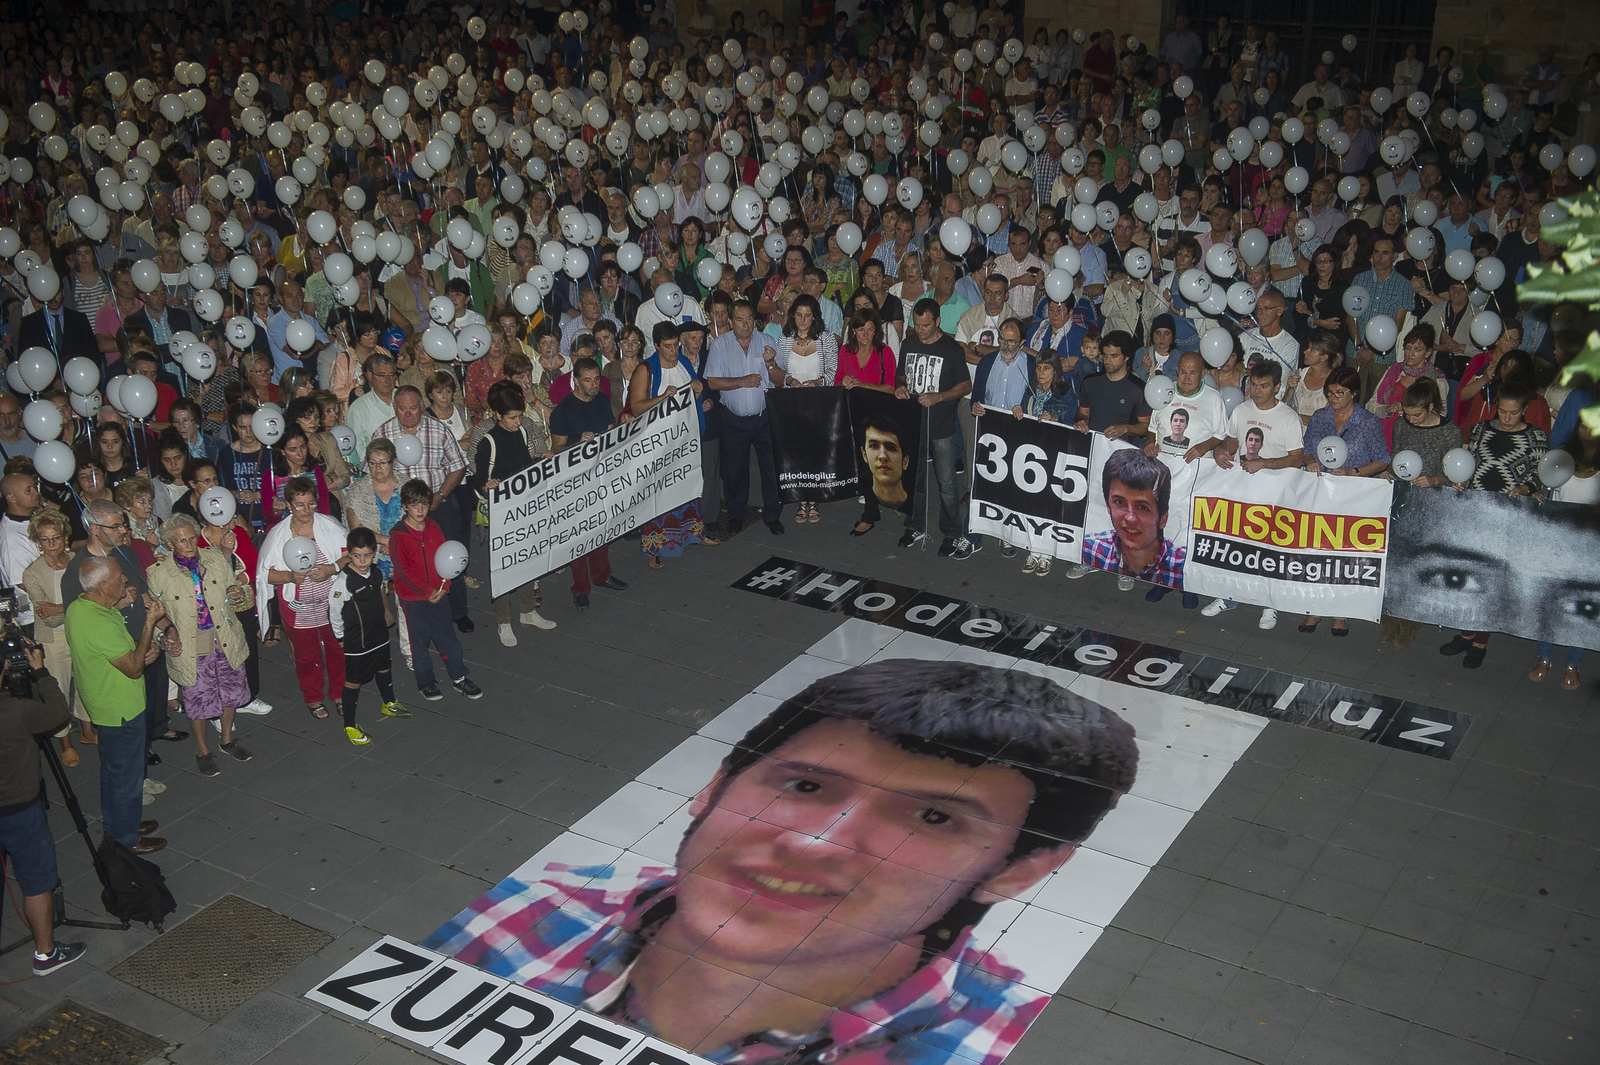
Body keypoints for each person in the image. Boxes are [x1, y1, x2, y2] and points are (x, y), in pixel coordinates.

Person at [424, 659, 1137, 1065]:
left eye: (931, 816)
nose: (815, 842)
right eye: (804, 785)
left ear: (1020, 869)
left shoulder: (998, 1041)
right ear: (717, 784)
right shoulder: (525, 912)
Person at [64, 555, 166, 855]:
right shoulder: (99, 623)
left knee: (113, 775)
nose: (125, 580)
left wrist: (121, 609)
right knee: (126, 777)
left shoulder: (82, 608)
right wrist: (149, 624)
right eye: (119, 577)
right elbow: (134, 668)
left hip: (104, 707)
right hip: (121, 710)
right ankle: (126, 839)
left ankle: (121, 824)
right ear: (102, 585)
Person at [0, 630, 87, 975]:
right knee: (37, 880)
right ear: (7, 667)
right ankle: (45, 954)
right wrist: (40, 671)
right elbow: (57, 714)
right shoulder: (17, 710)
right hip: (21, 809)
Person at [146, 515, 254, 777]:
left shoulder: (215, 557)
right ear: (170, 544)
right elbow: (155, 614)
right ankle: (203, 751)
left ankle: (227, 740)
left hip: (224, 635)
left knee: (230, 690)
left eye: (192, 538)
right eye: (181, 541)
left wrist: (236, 591)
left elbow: (233, 586)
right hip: (191, 643)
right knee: (198, 698)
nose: (189, 544)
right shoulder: (158, 574)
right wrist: (165, 637)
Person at [1202, 360, 1305, 630]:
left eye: (1264, 385)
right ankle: (1229, 596)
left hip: (1274, 495)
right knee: (1237, 545)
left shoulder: (1287, 417)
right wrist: (1221, 450)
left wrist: (1264, 464)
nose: (1257, 391)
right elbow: (1232, 439)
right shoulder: (1241, 409)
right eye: (1253, 385)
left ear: (1278, 387)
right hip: (1243, 489)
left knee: (1269, 549)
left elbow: (1296, 459)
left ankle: (1269, 605)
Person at [1296, 366, 1391, 636]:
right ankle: (1315, 608)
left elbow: (1382, 459)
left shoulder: (1369, 422)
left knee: (1344, 554)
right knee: (1319, 550)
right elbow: (1306, 449)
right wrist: (1311, 461)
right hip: (1322, 493)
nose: (1334, 397)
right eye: (1330, 392)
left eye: (1340, 393)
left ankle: (1341, 613)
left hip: (1353, 495)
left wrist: (1353, 472)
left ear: (1354, 393)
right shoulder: (1320, 417)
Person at [376, 385, 473, 632]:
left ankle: (459, 612)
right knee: (410, 561)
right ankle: (419, 609)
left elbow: (459, 465)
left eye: (413, 408)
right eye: (402, 409)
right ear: (394, 408)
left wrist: (441, 494)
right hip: (402, 510)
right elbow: (374, 472)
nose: (408, 414)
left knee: (450, 552)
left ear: (422, 407)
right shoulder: (384, 433)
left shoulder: (439, 429)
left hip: (438, 503)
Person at [470, 381, 558, 642]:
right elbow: (475, 479)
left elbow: (522, 467)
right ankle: (503, 620)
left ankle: (528, 610)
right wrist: (487, 485)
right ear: (498, 414)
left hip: (523, 509)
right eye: (512, 417)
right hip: (501, 515)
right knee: (504, 566)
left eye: (520, 416)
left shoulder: (520, 434)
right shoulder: (487, 442)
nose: (518, 422)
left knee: (528, 559)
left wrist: (540, 460)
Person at [258, 477, 348, 719]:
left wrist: (332, 569)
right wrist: (288, 576)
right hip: (299, 609)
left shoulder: (329, 525)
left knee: (337, 649)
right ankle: (313, 697)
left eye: (310, 504)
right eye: (299, 505)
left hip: (331, 604)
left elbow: (350, 554)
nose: (306, 510)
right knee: (307, 655)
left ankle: (339, 693)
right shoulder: (278, 535)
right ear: (288, 505)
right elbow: (264, 574)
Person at [548, 359, 631, 612]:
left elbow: (608, 431)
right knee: (579, 534)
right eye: (587, 380)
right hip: (575, 482)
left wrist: (622, 425)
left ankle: (602, 575)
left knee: (602, 528)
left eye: (596, 379)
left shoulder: (602, 400)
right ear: (575, 381)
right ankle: (580, 588)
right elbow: (555, 450)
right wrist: (577, 442)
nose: (593, 384)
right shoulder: (562, 411)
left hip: (600, 475)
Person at [897, 299, 976, 560]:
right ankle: (915, 525)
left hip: (941, 425)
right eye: (917, 325)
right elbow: (900, 375)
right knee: (914, 478)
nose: (920, 330)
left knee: (947, 484)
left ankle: (952, 532)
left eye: (926, 325)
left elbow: (965, 386)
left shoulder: (951, 349)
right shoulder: (908, 344)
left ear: (938, 321)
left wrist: (939, 397)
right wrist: (900, 386)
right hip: (913, 422)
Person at [390, 478, 483, 702]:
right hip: (414, 599)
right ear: (404, 506)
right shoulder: (398, 536)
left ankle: (459, 677)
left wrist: (445, 587)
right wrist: (425, 592)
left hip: (439, 593)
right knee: (419, 643)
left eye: (424, 504)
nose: (420, 510)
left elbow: (447, 561)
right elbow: (403, 572)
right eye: (414, 505)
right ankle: (426, 682)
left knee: (447, 637)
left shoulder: (434, 527)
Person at [706, 301, 786, 536]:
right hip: (733, 419)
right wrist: (740, 381)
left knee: (771, 468)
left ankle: (773, 515)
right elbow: (712, 381)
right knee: (735, 471)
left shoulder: (767, 341)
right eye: (739, 320)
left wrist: (770, 363)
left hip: (764, 417)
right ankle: (736, 514)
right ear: (730, 321)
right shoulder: (720, 345)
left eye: (749, 318)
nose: (745, 324)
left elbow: (781, 378)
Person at [328, 527, 410, 746]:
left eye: (367, 555)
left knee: (384, 668)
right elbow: (334, 611)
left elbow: (380, 598)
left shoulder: (376, 572)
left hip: (379, 635)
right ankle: (350, 725)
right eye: (356, 556)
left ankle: (389, 703)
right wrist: (339, 637)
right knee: (354, 682)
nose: (362, 560)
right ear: (349, 554)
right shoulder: (343, 582)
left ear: (374, 553)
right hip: (357, 642)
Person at [1081, 448, 1187, 591]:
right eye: (1119, 502)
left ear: (1163, 518)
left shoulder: (1183, 565)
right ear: (1107, 506)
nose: (1130, 518)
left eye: (1143, 507)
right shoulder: (1090, 549)